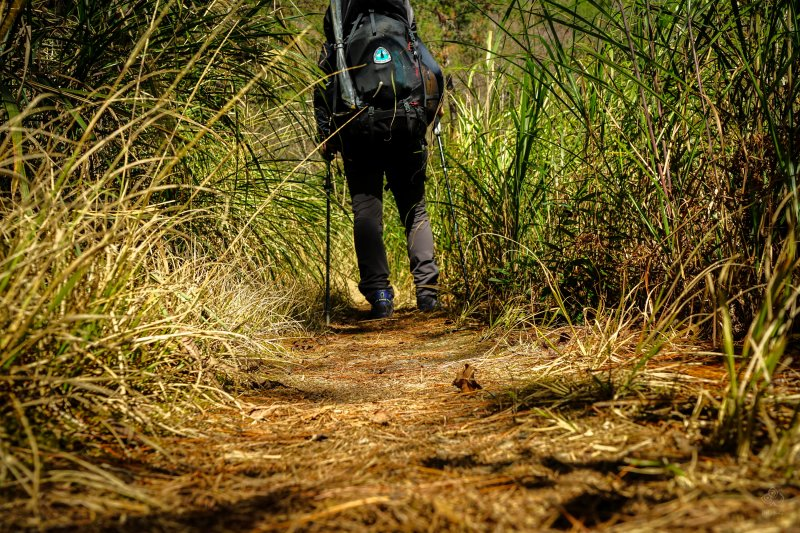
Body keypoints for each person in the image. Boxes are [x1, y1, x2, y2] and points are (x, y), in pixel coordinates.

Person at [314, 0, 440, 319]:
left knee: (366, 211)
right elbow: (432, 70)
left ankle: (380, 294)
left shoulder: (339, 17)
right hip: (407, 124)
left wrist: (327, 135)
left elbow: (326, 86)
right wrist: (430, 118)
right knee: (415, 209)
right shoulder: (401, 13)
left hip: (359, 132)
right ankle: (427, 293)